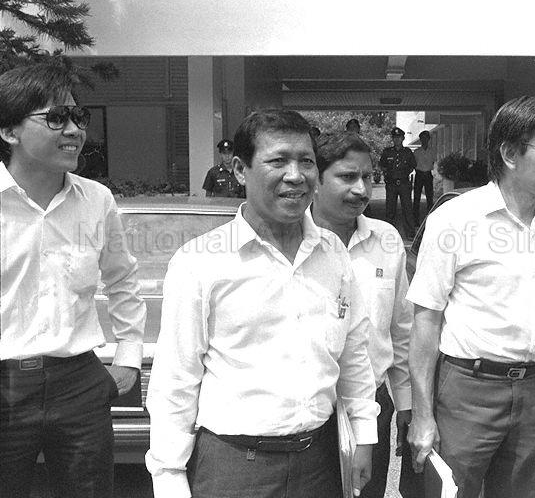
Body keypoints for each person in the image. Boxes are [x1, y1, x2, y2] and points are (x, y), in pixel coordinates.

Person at [146, 110, 379, 498]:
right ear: (240, 169)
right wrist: (169, 476)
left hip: (320, 461)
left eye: (306, 161)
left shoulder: (332, 252)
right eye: (278, 161)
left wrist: (364, 434)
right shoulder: (201, 261)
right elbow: (176, 378)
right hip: (235, 466)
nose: (296, 175)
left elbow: (353, 351)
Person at [407, 96, 535, 498]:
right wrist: (422, 415)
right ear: (510, 153)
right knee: (452, 491)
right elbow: (425, 322)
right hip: (468, 390)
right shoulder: (454, 220)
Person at [0, 63, 146, 497]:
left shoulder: (96, 200)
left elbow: (122, 279)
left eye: (78, 118)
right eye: (56, 118)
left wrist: (129, 356)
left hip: (79, 381)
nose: (74, 130)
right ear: (9, 131)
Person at [312, 131, 413, 498]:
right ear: (316, 180)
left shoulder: (387, 241)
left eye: (368, 177)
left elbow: (402, 329)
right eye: (347, 177)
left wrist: (405, 403)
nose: (361, 189)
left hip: (371, 405)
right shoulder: (291, 240)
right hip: (308, 410)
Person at [380, 127, 416, 238]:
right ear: (392, 139)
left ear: (403, 138)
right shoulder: (387, 152)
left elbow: (413, 165)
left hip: (404, 184)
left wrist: (404, 173)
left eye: (399, 137)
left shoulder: (408, 152)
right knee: (390, 210)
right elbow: (382, 165)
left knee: (407, 209)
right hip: (391, 184)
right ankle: (389, 235)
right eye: (395, 138)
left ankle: (410, 234)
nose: (397, 140)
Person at [412, 130, 437, 225]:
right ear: (420, 140)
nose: (424, 140)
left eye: (426, 138)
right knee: (417, 198)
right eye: (423, 138)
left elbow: (433, 162)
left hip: (428, 175)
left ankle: (430, 219)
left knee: (430, 198)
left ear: (429, 139)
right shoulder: (416, 152)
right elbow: (414, 164)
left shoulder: (432, 151)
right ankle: (415, 220)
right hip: (419, 175)